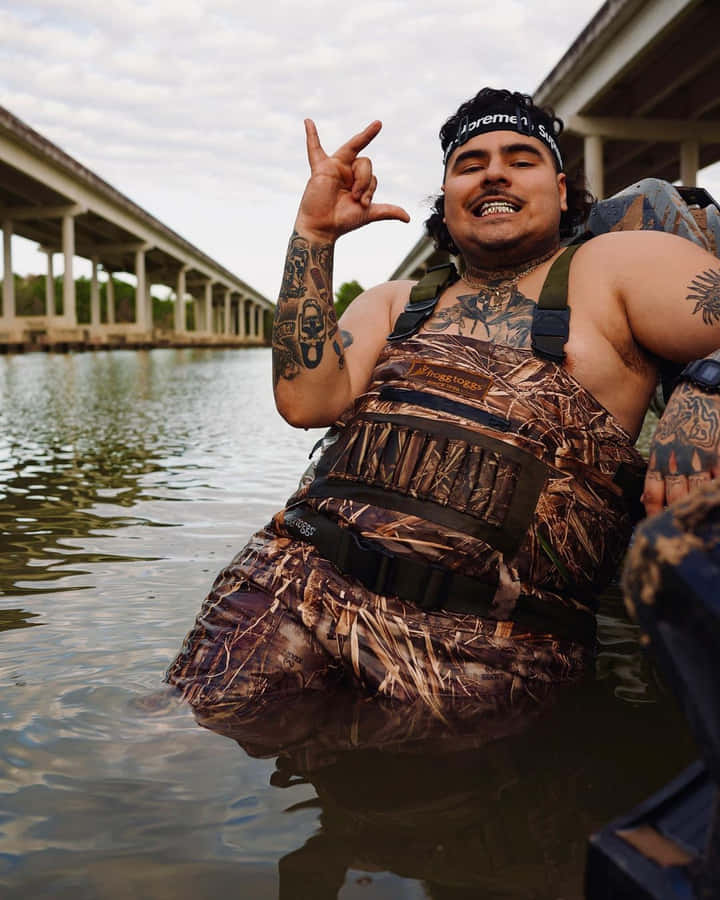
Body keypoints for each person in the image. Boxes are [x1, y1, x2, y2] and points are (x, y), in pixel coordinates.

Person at [166, 88, 720, 715]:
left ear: (562, 190)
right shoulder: (394, 302)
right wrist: (314, 236)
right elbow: (303, 402)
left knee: (426, 780)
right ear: (447, 196)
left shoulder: (617, 267)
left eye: (521, 159)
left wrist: (705, 387)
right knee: (168, 743)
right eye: (469, 164)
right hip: (280, 593)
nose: (494, 174)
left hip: (484, 648)